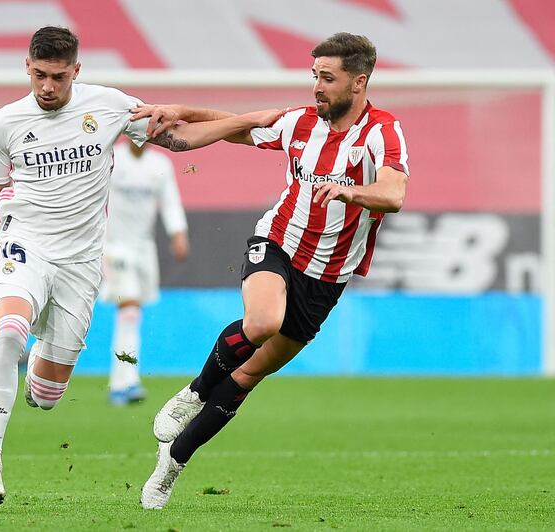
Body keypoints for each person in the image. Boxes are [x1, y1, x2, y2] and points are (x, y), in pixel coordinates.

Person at [0, 26, 280, 506]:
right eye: (38, 76)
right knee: (9, 330)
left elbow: (179, 139)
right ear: (25, 68)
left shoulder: (109, 105)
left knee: (48, 395)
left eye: (57, 77)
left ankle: (35, 372)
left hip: (81, 262)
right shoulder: (4, 123)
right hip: (24, 243)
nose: (48, 87)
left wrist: (251, 120)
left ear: (76, 70)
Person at [136, 32, 410, 509]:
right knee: (261, 322)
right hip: (278, 243)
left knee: (246, 377)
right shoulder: (301, 124)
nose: (317, 87)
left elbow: (394, 194)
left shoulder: (382, 132)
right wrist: (177, 113)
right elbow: (235, 124)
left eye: (328, 78)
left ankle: (172, 463)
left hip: (327, 276)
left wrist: (352, 193)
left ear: (359, 82)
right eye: (314, 77)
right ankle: (194, 393)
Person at [102, 139, 189, 406]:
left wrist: (178, 233)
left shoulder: (159, 164)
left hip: (144, 247)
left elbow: (170, 201)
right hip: (113, 245)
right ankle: (125, 382)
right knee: (130, 307)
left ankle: (122, 382)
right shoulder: (111, 157)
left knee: (133, 312)